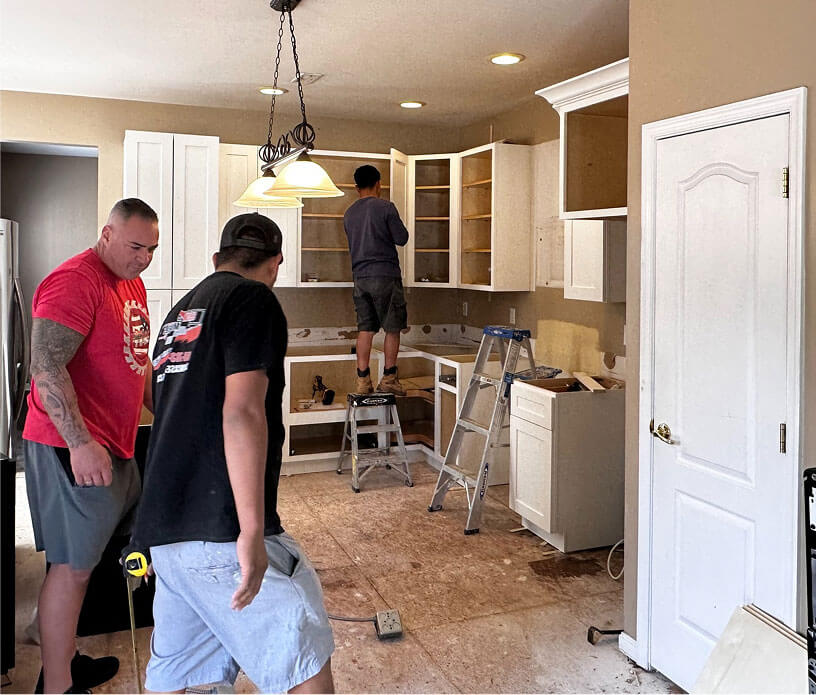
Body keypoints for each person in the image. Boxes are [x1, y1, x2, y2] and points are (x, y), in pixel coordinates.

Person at [129, 213, 335, 694]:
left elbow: (153, 399)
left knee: (182, 673)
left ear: (218, 259)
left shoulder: (182, 310)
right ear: (275, 263)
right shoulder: (254, 299)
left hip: (167, 533)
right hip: (216, 529)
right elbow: (241, 412)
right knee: (302, 654)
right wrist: (251, 530)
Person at [23, 198, 159, 694]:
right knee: (73, 568)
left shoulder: (131, 282)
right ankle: (55, 686)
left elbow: (138, 360)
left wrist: (160, 416)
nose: (143, 257)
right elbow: (46, 367)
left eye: (151, 249)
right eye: (135, 246)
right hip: (73, 447)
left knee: (95, 564)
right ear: (107, 234)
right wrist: (81, 444)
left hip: (115, 443)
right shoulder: (75, 281)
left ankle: (66, 660)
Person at [343, 164, 409, 395]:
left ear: (356, 187)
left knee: (366, 329)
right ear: (378, 184)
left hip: (360, 278)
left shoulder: (349, 213)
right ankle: (389, 378)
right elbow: (402, 238)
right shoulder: (385, 207)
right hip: (385, 275)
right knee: (392, 328)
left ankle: (363, 381)